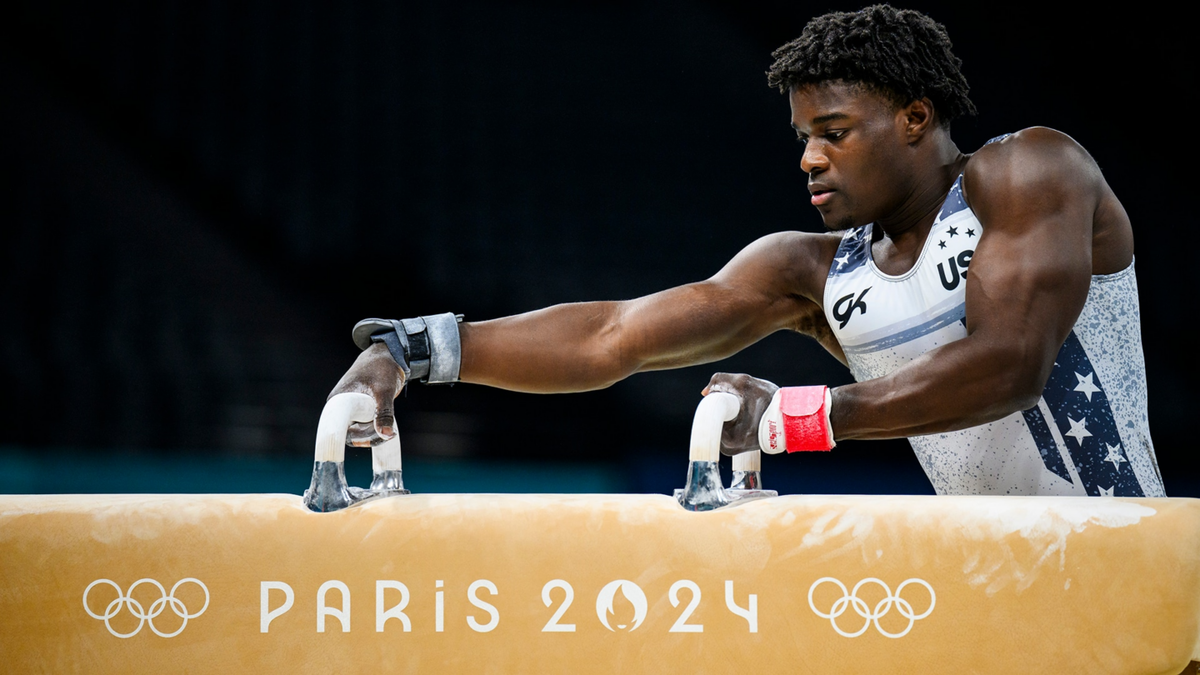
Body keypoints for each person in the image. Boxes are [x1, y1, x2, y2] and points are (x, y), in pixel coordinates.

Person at [329, 4, 1164, 497]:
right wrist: (417, 348)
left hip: (1121, 551)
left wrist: (799, 417)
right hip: (987, 580)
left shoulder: (1029, 171)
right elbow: (612, 334)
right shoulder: (812, 270)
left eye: (833, 133)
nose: (808, 157)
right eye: (803, 137)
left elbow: (1009, 364)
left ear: (915, 118)